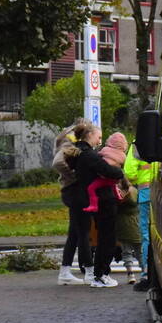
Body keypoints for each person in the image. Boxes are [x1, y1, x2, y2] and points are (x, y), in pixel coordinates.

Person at [65, 122, 124, 288]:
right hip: (104, 199)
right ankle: (101, 275)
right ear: (90, 135)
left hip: (88, 198)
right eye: (98, 137)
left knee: (96, 237)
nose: (100, 141)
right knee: (107, 239)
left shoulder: (76, 153)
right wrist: (119, 172)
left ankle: (98, 274)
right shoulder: (89, 156)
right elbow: (111, 171)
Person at [54, 118, 88, 285]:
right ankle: (85, 270)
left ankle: (65, 271)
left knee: (74, 232)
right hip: (73, 190)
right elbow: (58, 162)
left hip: (69, 190)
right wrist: (72, 176)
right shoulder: (69, 145)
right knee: (79, 231)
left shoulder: (64, 141)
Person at [123, 140, 155, 290]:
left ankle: (147, 273)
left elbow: (129, 172)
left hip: (146, 193)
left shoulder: (138, 144)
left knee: (146, 234)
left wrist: (139, 179)